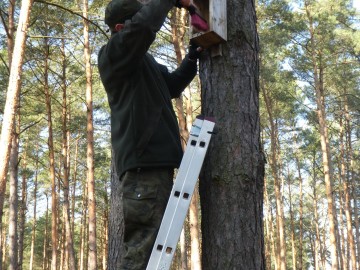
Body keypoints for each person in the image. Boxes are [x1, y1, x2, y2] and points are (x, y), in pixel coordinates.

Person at [98, 0, 202, 268]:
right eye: (134, 22)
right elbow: (144, 26)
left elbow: (173, 86)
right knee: (142, 255)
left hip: (154, 166)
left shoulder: (144, 63)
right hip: (144, 168)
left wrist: (192, 56)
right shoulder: (113, 55)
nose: (141, 25)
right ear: (121, 28)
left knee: (153, 253)